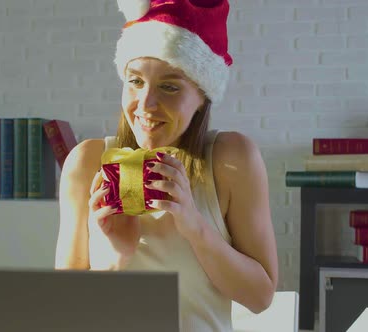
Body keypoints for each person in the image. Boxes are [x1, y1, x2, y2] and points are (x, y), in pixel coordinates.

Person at [54, 0, 278, 331]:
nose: (145, 105)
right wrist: (113, 261)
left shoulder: (232, 158)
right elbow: (60, 309)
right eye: (135, 81)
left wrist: (196, 228)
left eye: (169, 86)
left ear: (202, 96)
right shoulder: (87, 162)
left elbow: (260, 298)